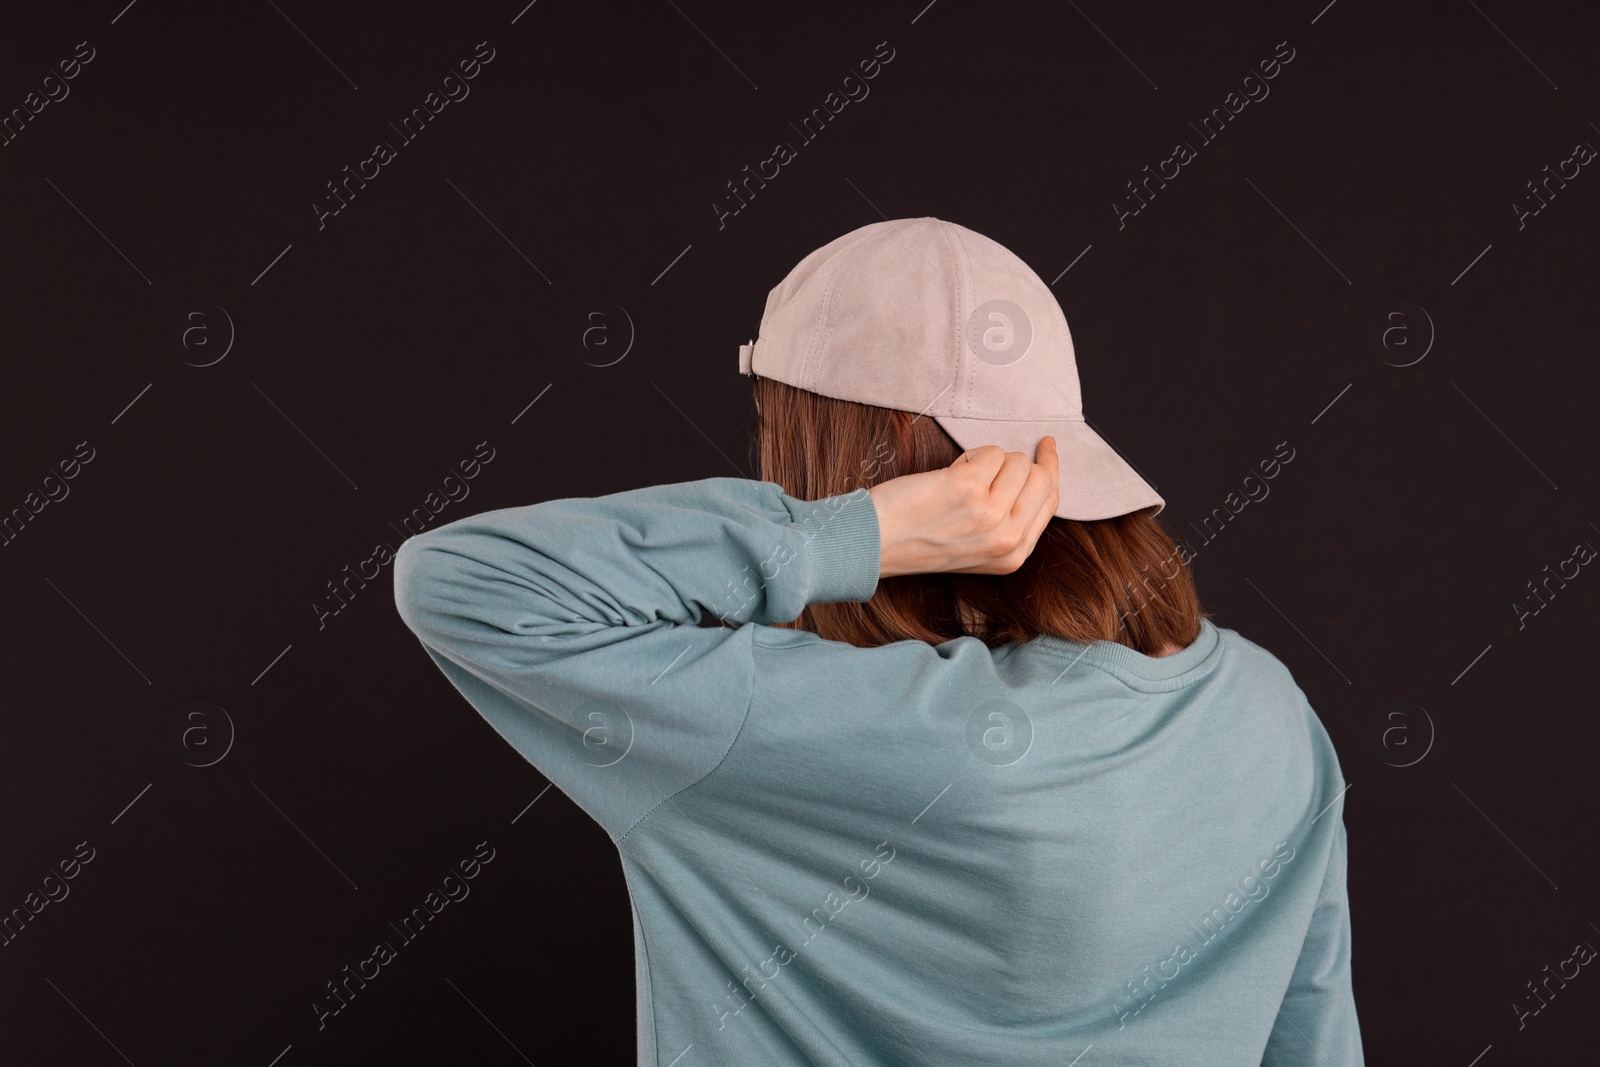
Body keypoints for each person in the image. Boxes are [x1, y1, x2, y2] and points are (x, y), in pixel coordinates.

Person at [392, 217, 1363, 1065]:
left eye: (777, 430)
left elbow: (461, 583)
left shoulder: (757, 725)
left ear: (887, 450)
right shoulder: (1267, 713)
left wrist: (862, 530)